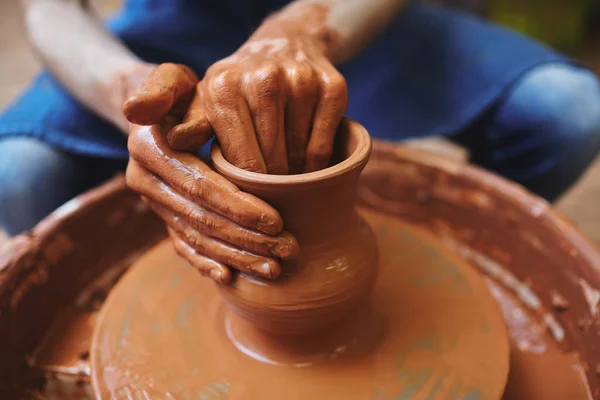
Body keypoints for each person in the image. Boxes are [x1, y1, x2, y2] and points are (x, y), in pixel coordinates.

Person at [1, 0, 600, 281]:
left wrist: (302, 27)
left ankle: (467, 267)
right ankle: (137, 271)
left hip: (346, 16)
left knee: (571, 112)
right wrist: (125, 92)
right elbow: (49, 8)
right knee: (19, 174)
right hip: (172, 25)